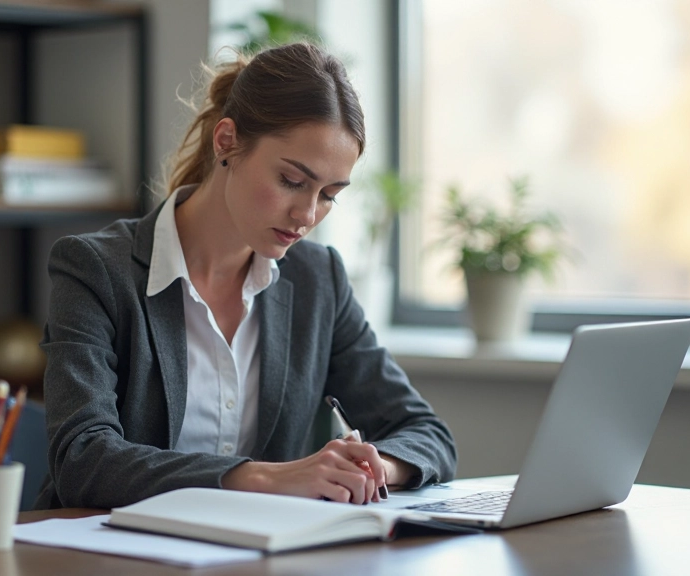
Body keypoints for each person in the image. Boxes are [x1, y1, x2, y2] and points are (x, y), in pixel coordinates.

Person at [35, 42, 456, 510]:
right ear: (226, 142)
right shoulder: (95, 269)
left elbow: (427, 433)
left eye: (330, 194)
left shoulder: (320, 281)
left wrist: (376, 466)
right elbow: (82, 458)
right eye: (292, 181)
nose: (307, 213)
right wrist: (267, 478)